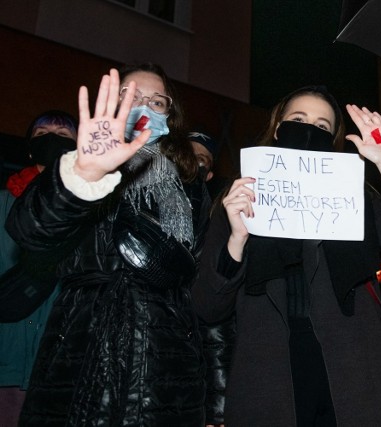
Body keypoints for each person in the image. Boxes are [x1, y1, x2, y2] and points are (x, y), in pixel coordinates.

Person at [6, 64, 231, 426]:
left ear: (169, 117)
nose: (144, 106)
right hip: (78, 357)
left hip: (169, 372)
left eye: (157, 101)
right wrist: (83, 175)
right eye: (132, 96)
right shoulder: (81, 164)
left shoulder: (192, 188)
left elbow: (205, 299)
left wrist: (218, 400)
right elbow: (29, 230)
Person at [191, 86, 381, 426]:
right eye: (298, 119)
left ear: (333, 140)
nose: (309, 129)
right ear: (277, 127)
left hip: (358, 369)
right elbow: (208, 306)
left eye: (322, 126)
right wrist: (237, 240)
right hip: (271, 375)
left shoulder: (355, 195)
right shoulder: (240, 198)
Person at [0, 110, 77, 427]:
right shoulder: (3, 204)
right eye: (43, 133)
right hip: (6, 358)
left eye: (63, 134)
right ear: (30, 148)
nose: (53, 139)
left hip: (61, 365)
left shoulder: (94, 209)